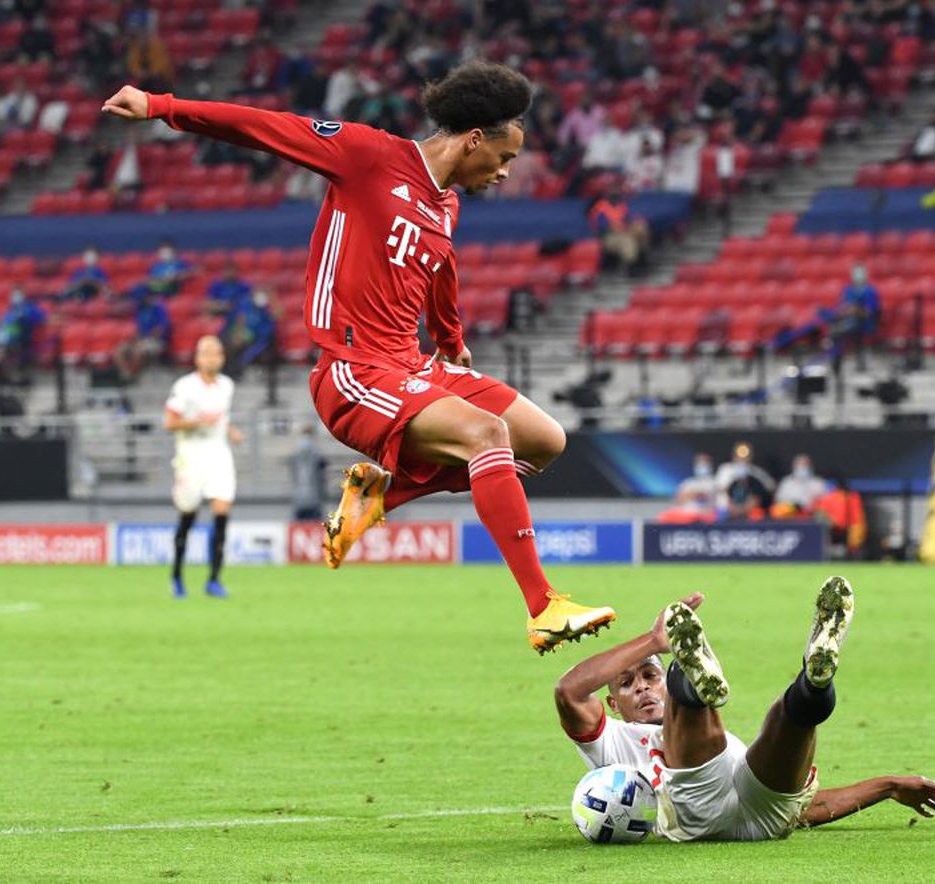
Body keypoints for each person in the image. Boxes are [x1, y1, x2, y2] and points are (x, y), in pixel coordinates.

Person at [103, 60, 616, 653]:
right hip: (351, 371)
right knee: (485, 434)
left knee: (546, 440)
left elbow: (440, 269)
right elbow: (264, 126)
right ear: (474, 138)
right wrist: (160, 106)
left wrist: (450, 339)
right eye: (503, 157)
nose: (504, 172)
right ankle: (543, 607)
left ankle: (381, 495)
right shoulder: (369, 156)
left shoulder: (445, 204)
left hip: (412, 363)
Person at [554, 581, 935, 842]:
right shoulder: (611, 743)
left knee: (792, 719)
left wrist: (887, 787)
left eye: (649, 676)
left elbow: (808, 810)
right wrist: (653, 641)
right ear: (613, 705)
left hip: (765, 813)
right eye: (627, 684)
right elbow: (569, 691)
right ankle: (688, 674)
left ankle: (812, 683)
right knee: (694, 739)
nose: (641, 686)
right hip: (698, 813)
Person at [163, 335, 242, 600]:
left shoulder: (227, 386)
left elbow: (221, 418)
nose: (212, 358)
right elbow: (169, 423)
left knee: (222, 512)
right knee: (188, 515)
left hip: (219, 455)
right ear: (198, 358)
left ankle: (214, 579)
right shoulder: (185, 387)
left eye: (217, 353)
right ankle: (177, 577)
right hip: (191, 457)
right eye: (207, 353)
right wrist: (197, 422)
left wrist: (230, 431)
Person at [588, 183, 650, 273]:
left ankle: (642, 259)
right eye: (611, 190)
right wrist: (622, 229)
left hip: (624, 232)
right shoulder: (599, 207)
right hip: (607, 237)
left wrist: (635, 223)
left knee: (641, 227)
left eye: (616, 190)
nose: (615, 193)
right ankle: (632, 266)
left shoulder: (621, 205)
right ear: (605, 193)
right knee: (627, 240)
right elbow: (604, 226)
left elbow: (628, 220)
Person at [115, 291, 170, 382]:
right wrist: (136, 340)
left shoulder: (158, 308)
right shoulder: (141, 310)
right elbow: (139, 331)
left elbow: (160, 330)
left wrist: (143, 340)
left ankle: (133, 374)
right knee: (121, 349)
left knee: (139, 349)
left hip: (157, 341)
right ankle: (126, 372)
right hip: (143, 341)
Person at [221, 288, 276, 376]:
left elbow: (278, 315)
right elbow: (240, 320)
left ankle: (236, 370)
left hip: (260, 340)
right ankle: (228, 370)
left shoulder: (266, 309)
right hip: (246, 337)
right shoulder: (246, 305)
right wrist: (238, 335)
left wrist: (273, 298)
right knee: (230, 344)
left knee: (249, 352)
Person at [715, 441, 775, 515]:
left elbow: (770, 487)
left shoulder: (756, 471)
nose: (742, 457)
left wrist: (751, 481)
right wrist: (735, 478)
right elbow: (720, 488)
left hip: (749, 511)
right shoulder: (725, 469)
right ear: (734, 455)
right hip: (727, 511)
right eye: (740, 453)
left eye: (745, 453)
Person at [658, 453, 717, 524]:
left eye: (704, 464)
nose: (702, 466)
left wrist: (698, 495)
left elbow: (713, 499)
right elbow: (678, 499)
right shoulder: (688, 482)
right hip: (687, 512)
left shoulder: (714, 482)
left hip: (706, 512)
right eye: (699, 464)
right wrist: (692, 495)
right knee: (663, 516)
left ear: (710, 465)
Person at [290, 425, 328, 521]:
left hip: (299, 497)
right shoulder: (317, 453)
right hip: (315, 498)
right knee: (315, 526)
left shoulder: (296, 453)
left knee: (299, 525)